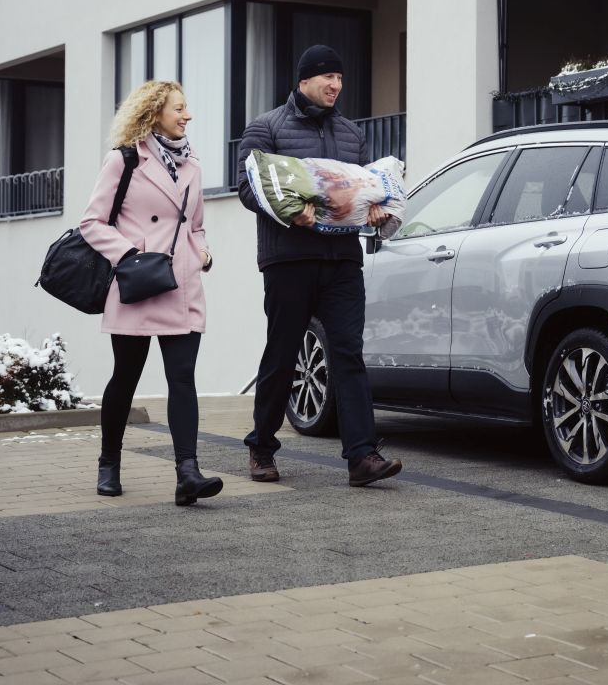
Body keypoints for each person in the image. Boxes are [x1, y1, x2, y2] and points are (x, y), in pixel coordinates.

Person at [237, 44, 402, 487]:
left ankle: (362, 457)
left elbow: (361, 187)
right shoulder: (266, 127)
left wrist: (374, 209)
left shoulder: (351, 133)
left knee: (348, 354)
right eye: (328, 77)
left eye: (341, 78)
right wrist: (291, 211)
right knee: (282, 353)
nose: (336, 85)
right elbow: (248, 188)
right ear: (304, 79)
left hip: (342, 260)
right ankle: (261, 447)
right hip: (288, 259)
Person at [80, 80, 223, 507]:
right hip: (138, 283)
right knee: (126, 376)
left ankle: (187, 473)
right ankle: (109, 462)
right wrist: (131, 256)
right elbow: (92, 223)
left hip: (181, 285)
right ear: (154, 112)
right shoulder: (124, 159)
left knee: (182, 377)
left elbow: (195, 224)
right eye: (178, 108)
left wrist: (203, 253)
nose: (187, 115)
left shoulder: (191, 163)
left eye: (186, 107)